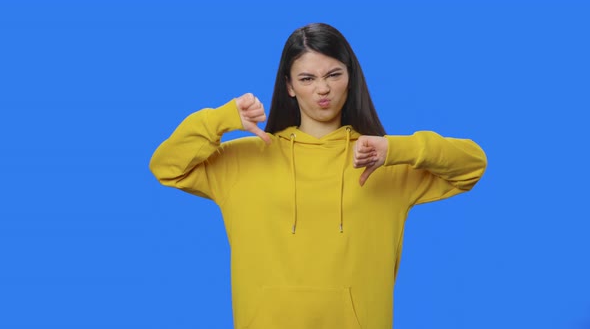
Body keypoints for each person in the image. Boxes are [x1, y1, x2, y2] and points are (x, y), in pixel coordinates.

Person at [150, 23, 487, 329]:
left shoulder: (383, 163)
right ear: (289, 87)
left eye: (333, 75)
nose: (322, 89)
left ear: (350, 77)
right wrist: (219, 120)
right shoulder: (244, 160)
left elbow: (473, 164)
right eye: (307, 78)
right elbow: (166, 166)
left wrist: (395, 150)